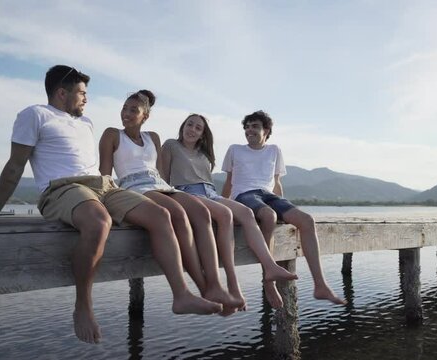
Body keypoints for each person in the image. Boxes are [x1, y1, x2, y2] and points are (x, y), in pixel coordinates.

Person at [0, 66, 221, 344]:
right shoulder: (34, 115)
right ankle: (83, 306)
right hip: (62, 187)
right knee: (99, 222)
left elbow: (101, 170)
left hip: (103, 184)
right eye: (82, 93)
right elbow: (14, 167)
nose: (86, 98)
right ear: (62, 93)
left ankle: (181, 295)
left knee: (160, 215)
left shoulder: (85, 122)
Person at [99, 90, 244, 314]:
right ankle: (201, 289)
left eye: (133, 110)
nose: (126, 113)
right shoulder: (112, 134)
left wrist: (170, 192)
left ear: (145, 116)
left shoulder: (153, 138)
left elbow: (160, 174)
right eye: (124, 108)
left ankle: (215, 285)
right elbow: (105, 176)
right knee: (176, 214)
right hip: (133, 187)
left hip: (160, 185)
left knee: (200, 212)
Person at [161, 114, 298, 309]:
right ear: (183, 126)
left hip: (210, 192)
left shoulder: (204, 152)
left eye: (198, 128)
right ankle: (234, 287)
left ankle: (269, 267)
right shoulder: (170, 145)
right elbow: (164, 179)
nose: (192, 130)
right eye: (189, 125)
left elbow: (220, 184)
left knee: (246, 214)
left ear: (202, 134)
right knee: (225, 215)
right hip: (186, 192)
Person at [221, 110, 346, 306]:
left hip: (268, 195)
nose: (249, 130)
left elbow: (277, 183)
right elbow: (229, 182)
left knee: (307, 220)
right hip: (244, 194)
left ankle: (320, 285)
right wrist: (221, 206)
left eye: (255, 126)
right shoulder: (235, 149)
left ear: (266, 130)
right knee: (268, 216)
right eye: (247, 127)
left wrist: (285, 208)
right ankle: (268, 279)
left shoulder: (274, 150)